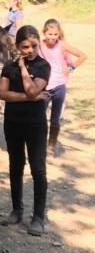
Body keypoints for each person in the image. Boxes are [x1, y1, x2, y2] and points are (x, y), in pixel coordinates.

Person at [0, 25, 51, 237]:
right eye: (25, 46)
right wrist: (32, 97)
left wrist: (22, 69)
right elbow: (3, 94)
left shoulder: (43, 66)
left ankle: (38, 217)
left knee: (38, 169)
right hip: (12, 122)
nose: (29, 50)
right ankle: (16, 210)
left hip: (35, 125)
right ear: (17, 46)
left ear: (39, 42)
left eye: (33, 46)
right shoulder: (7, 67)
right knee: (15, 165)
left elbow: (31, 89)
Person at [39, 18, 87, 154]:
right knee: (39, 116)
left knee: (56, 118)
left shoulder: (62, 45)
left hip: (59, 85)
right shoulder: (39, 45)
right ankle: (39, 141)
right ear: (44, 33)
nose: (53, 37)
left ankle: (51, 144)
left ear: (59, 34)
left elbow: (82, 56)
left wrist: (71, 68)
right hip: (44, 87)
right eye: (50, 34)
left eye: (55, 34)